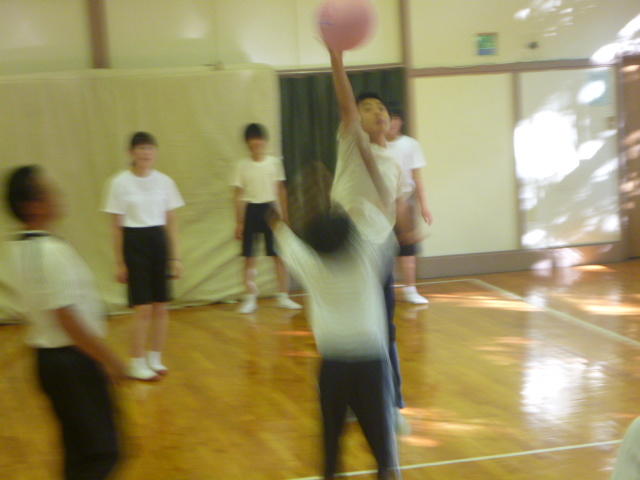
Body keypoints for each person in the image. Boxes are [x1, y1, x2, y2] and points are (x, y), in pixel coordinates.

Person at [6, 165, 124, 479]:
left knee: (79, 451)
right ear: (33, 206)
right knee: (102, 452)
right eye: (50, 192)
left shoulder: (19, 248)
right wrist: (109, 359)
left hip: (52, 363)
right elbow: (67, 318)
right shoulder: (49, 252)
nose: (58, 196)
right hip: (71, 363)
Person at [272, 206, 399, 480]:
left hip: (333, 362)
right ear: (349, 235)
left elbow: (284, 237)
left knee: (332, 434)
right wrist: (362, 208)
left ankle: (332, 474)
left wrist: (274, 218)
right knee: (378, 431)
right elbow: (386, 229)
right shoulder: (366, 256)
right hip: (371, 359)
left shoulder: (310, 263)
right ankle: (385, 471)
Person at [328, 46, 419, 425]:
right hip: (349, 253)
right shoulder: (353, 142)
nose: (377, 112)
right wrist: (336, 58)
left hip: (379, 254)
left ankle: (392, 403)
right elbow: (345, 103)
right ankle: (353, 404)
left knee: (385, 329)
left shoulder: (395, 162)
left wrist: (407, 229)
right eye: (368, 108)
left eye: (381, 108)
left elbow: (398, 207)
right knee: (354, 333)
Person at [103, 131, 184, 381]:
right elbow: (116, 227)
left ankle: (155, 357)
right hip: (134, 243)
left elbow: (171, 222)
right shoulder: (119, 183)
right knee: (143, 308)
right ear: (131, 153)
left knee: (161, 305)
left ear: (155, 152)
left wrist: (176, 258)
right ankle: (136, 361)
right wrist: (120, 262)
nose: (146, 153)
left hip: (158, 242)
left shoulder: (165, 182)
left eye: (150, 148)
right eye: (141, 148)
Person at [231, 123, 302, 314]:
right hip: (251, 209)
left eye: (259, 139)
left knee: (279, 256)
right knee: (250, 257)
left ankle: (283, 296)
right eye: (252, 139)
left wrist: (285, 216)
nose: (256, 143)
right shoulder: (241, 165)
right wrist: (239, 222)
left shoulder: (274, 163)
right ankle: (250, 298)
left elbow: (281, 190)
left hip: (270, 210)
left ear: (265, 141)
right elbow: (238, 194)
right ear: (248, 143)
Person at [386, 108, 433, 305]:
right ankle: (383, 289)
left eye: (396, 119)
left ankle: (410, 289)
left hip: (405, 199)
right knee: (381, 248)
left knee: (408, 247)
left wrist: (424, 206)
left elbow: (417, 177)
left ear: (401, 122)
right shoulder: (374, 146)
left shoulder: (410, 144)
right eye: (389, 119)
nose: (393, 123)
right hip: (381, 203)